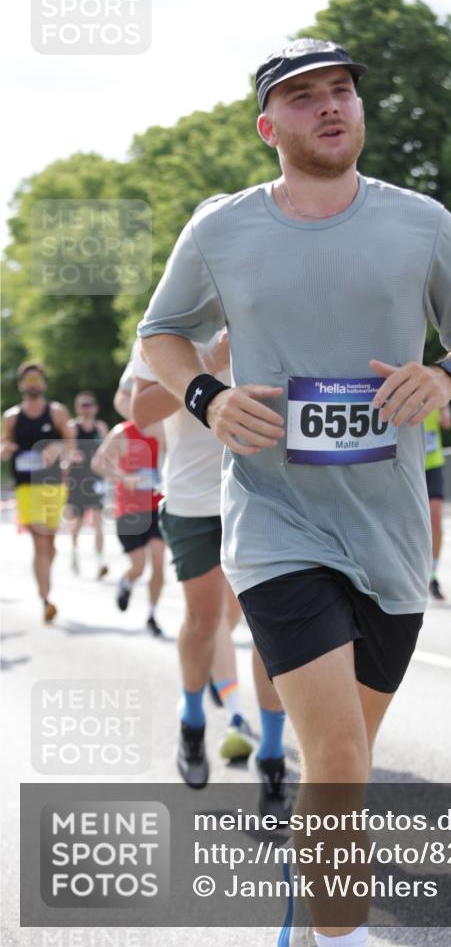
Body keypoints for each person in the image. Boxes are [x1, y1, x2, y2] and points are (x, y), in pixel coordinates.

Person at [138, 38, 451, 945]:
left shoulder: (419, 220)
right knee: (339, 756)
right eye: (303, 98)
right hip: (274, 521)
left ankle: (303, 923)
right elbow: (162, 334)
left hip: (387, 534)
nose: (330, 107)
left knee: (345, 758)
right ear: (270, 127)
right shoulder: (221, 229)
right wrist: (210, 398)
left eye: (341, 91)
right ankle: (336, 937)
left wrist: (449, 378)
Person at [130, 329, 289, 809]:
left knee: (272, 630)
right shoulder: (167, 326)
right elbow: (140, 412)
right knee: (203, 621)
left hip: (267, 498)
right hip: (194, 504)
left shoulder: (266, 303)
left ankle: (273, 755)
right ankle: (193, 720)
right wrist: (206, 360)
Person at [1, 362, 73, 621]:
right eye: (27, 379)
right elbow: (4, 443)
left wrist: (56, 448)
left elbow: (70, 442)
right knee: (39, 540)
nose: (32, 383)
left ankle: (45, 585)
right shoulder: (11, 416)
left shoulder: (56, 412)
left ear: (43, 383)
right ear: (21, 384)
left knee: (49, 543)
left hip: (53, 485)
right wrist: (6, 448)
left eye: (36, 379)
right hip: (26, 486)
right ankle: (45, 599)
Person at [91, 417, 165, 637]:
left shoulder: (165, 426)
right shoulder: (122, 432)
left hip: (157, 506)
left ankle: (152, 615)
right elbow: (97, 463)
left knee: (159, 564)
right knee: (139, 567)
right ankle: (126, 582)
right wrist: (123, 476)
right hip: (130, 509)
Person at [64, 391, 109, 578]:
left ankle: (99, 563)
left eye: (90, 404)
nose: (87, 408)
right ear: (78, 408)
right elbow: (66, 453)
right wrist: (72, 457)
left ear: (96, 407)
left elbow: (107, 452)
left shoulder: (101, 428)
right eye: (83, 404)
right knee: (78, 522)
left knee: (99, 522)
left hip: (96, 480)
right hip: (77, 480)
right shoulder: (73, 428)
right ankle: (74, 554)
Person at [423, 404, 451, 601]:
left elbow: (447, 423)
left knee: (435, 519)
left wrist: (442, 406)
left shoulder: (435, 387)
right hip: (407, 465)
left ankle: (432, 575)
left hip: (432, 465)